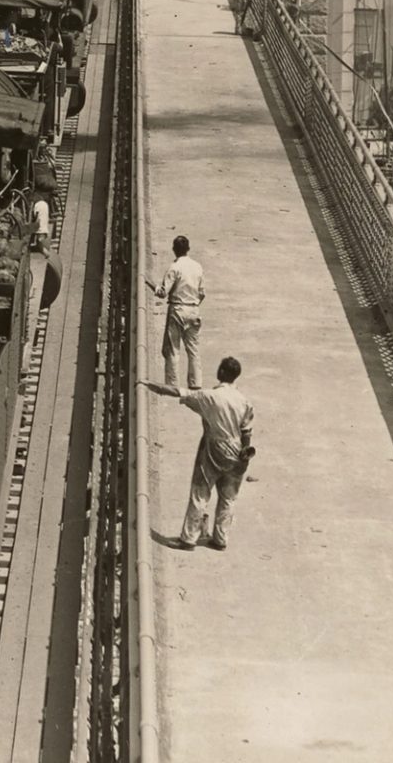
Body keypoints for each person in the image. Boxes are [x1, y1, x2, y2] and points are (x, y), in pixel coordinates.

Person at [145, 357, 256, 551]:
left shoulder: (209, 397)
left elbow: (177, 392)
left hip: (213, 448)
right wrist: (244, 455)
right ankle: (220, 539)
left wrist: (149, 384)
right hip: (237, 451)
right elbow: (247, 431)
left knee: (200, 492)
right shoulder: (244, 401)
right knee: (228, 497)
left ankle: (188, 538)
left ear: (220, 372)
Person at [154, 235, 205, 390]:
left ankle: (172, 385)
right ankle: (195, 384)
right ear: (188, 249)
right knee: (193, 349)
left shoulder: (174, 267)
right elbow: (202, 293)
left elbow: (163, 292)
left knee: (172, 349)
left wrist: (156, 288)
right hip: (194, 309)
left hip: (177, 309)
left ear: (174, 250)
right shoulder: (197, 267)